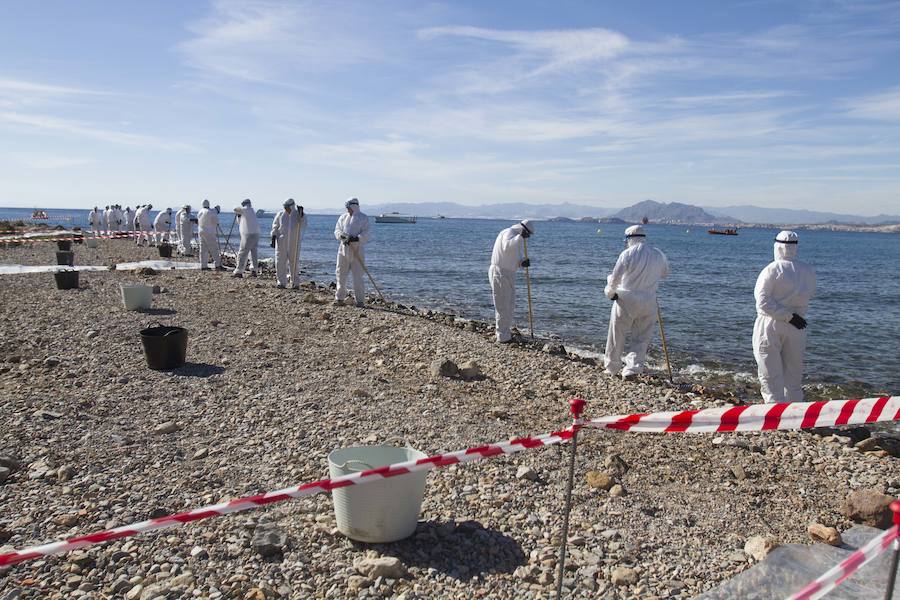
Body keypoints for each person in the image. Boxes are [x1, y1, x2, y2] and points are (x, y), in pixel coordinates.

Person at [753, 230, 817, 403]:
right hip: (798, 325)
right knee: (794, 373)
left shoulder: (771, 270)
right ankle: (795, 413)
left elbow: (763, 302)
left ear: (777, 247)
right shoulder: (807, 271)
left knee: (769, 371)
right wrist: (793, 315)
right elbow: (810, 294)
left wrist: (786, 315)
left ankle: (774, 413)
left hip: (771, 323)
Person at [603, 225, 669, 379]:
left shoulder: (626, 254)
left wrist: (609, 292)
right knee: (641, 337)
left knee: (617, 334)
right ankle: (632, 369)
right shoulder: (658, 254)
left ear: (629, 239)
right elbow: (665, 274)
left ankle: (612, 367)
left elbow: (615, 279)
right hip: (649, 301)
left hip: (626, 300)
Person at [488, 220, 535, 343]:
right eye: (528, 234)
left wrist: (522, 263)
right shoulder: (509, 232)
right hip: (500, 272)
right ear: (523, 229)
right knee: (503, 304)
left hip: (508, 273)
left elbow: (513, 255)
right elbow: (506, 246)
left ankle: (505, 333)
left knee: (510, 303)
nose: (528, 237)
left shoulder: (517, 239)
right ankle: (502, 336)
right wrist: (520, 237)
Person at [333, 198, 371, 306]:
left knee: (357, 276)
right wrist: (343, 237)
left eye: (349, 207)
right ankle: (339, 298)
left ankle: (360, 301)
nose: (347, 209)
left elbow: (367, 233)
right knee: (340, 274)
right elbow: (337, 230)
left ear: (354, 206)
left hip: (357, 251)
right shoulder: (343, 217)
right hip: (343, 249)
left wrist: (357, 238)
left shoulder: (363, 218)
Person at [271, 199, 308, 288]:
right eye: (285, 207)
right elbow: (275, 226)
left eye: (287, 207)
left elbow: (304, 224)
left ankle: (295, 283)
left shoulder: (298, 215)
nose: (286, 209)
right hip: (281, 242)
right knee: (280, 262)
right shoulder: (280, 215)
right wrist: (273, 238)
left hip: (294, 242)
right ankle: (281, 282)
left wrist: (301, 215)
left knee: (294, 262)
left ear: (292, 206)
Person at [232, 199, 260, 278]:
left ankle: (239, 271)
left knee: (242, 252)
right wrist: (239, 215)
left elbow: (235, 209)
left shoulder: (246, 209)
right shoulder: (251, 211)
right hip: (256, 234)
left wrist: (235, 208)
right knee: (253, 253)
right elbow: (240, 221)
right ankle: (254, 270)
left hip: (248, 235)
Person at [197, 200, 222, 270]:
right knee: (213, 248)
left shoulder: (200, 211)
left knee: (203, 249)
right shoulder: (210, 211)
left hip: (201, 231)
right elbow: (216, 221)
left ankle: (203, 265)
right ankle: (218, 264)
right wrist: (216, 224)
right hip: (209, 232)